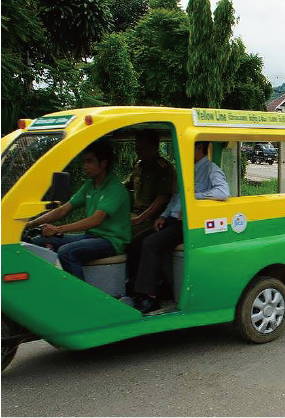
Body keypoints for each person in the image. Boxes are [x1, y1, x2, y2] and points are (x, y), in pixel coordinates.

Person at [129, 141, 230, 313]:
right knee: (136, 243)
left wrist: (193, 199)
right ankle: (135, 290)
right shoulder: (187, 169)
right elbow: (176, 197)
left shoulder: (210, 169)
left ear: (199, 147)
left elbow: (223, 192)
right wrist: (163, 215)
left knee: (151, 244)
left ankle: (150, 297)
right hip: (172, 219)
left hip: (188, 224)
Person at [27, 138, 131, 280]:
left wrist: (58, 229)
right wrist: (30, 223)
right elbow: (63, 210)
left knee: (66, 252)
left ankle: (81, 299)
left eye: (89, 161)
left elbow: (96, 220)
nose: (85, 166)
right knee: (37, 242)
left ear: (103, 164)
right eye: (84, 162)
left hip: (111, 241)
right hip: (90, 236)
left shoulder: (114, 188)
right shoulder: (90, 185)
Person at [125, 132, 175, 235]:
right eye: (137, 147)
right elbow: (126, 185)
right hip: (136, 213)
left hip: (153, 218)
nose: (138, 151)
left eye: (142, 147)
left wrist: (140, 219)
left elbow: (162, 198)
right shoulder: (139, 166)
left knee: (123, 233)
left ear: (155, 147)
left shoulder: (163, 168)